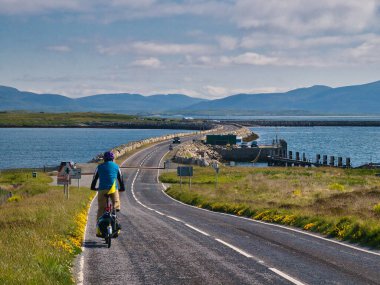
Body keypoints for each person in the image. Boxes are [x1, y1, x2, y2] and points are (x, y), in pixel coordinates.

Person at [90, 151, 125, 236]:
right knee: (116, 204)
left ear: (104, 159)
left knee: (101, 209)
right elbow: (120, 178)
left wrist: (93, 187)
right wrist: (122, 188)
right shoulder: (116, 166)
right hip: (113, 189)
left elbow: (95, 178)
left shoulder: (99, 167)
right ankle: (115, 212)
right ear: (112, 159)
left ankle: (98, 227)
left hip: (102, 189)